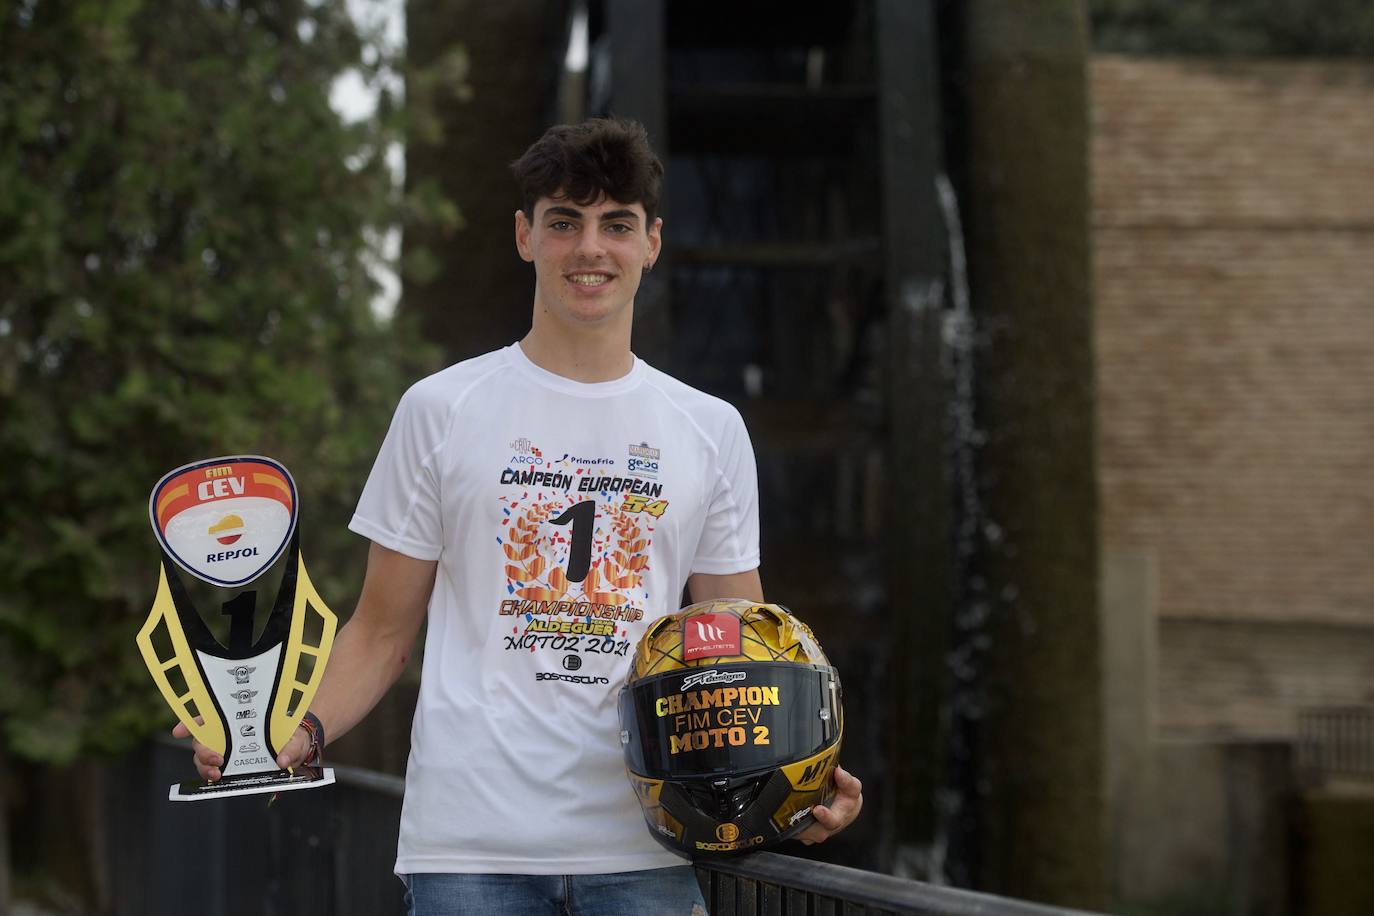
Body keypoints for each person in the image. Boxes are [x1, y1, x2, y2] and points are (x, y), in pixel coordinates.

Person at [176, 117, 862, 915]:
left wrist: (798, 784)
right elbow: (382, 630)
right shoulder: (439, 409)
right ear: (525, 236)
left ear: (652, 243)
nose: (590, 249)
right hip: (470, 850)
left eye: (617, 225)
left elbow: (743, 651)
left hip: (646, 849)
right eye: (564, 222)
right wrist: (287, 735)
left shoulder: (709, 429)